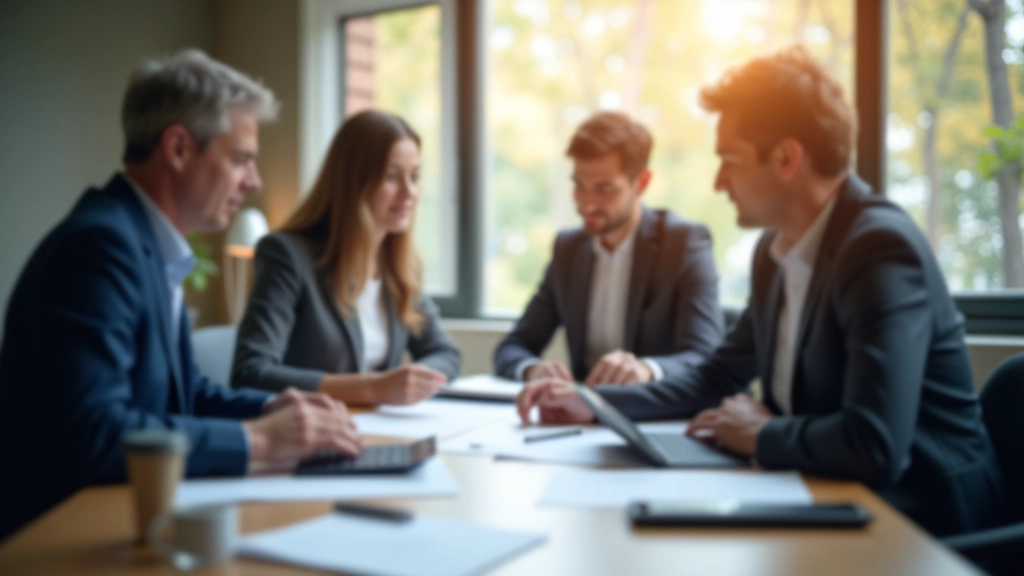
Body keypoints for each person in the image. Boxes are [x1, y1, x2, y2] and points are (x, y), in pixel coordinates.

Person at [515, 46, 1005, 537]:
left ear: (787, 158)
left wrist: (764, 433)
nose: (719, 182)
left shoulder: (877, 248)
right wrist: (594, 404)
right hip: (824, 493)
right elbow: (716, 376)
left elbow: (874, 442)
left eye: (730, 160)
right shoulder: (775, 249)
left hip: (926, 522)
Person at [0, 50, 363, 541]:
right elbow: (95, 434)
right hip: (60, 537)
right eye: (241, 159)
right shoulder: (99, 247)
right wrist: (254, 440)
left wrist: (274, 410)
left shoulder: (146, 243)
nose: (253, 182)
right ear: (177, 148)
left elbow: (184, 393)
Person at [231, 110, 461, 406]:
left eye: (414, 176)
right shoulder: (287, 256)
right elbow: (250, 373)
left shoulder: (400, 267)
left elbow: (446, 354)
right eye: (392, 176)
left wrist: (411, 380)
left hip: (380, 430)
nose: (410, 192)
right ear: (355, 183)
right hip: (310, 433)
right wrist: (372, 388)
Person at [493, 111, 724, 387]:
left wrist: (646, 370)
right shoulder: (569, 249)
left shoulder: (684, 244)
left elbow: (703, 354)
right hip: (582, 415)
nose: (587, 203)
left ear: (642, 182)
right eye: (579, 186)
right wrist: (532, 370)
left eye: (604, 189)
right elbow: (513, 347)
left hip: (655, 415)